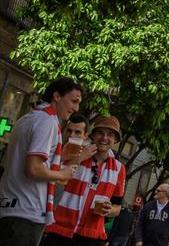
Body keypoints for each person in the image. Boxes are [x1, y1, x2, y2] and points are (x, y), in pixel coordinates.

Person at [0, 77, 83, 246]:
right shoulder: (48, 121)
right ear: (57, 96)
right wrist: (62, 174)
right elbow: (33, 169)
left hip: (9, 209)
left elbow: (26, 163)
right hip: (25, 214)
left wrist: (60, 158)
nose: (76, 108)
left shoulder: (29, 117)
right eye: (74, 101)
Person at [43, 115, 127, 246]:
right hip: (61, 230)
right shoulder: (76, 153)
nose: (104, 138)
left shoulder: (119, 169)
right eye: (100, 133)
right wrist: (80, 158)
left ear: (115, 139)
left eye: (110, 134)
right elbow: (56, 177)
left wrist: (109, 210)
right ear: (93, 136)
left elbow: (117, 206)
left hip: (93, 236)